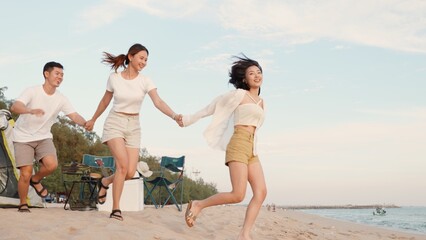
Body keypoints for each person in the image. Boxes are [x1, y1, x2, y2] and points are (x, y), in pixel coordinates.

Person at [85, 43, 182, 221]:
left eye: (146, 60)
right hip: (115, 122)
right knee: (121, 165)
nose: (144, 62)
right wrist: (93, 119)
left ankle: (105, 182)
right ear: (130, 56)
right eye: (141, 58)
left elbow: (158, 102)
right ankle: (116, 209)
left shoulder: (146, 81)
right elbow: (105, 101)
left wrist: (174, 116)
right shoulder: (114, 78)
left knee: (129, 172)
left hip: (134, 126)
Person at [182, 55, 267, 240]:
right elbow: (211, 107)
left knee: (261, 192)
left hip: (252, 148)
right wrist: (189, 119)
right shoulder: (239, 95)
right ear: (244, 79)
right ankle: (198, 205)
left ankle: (244, 234)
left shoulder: (261, 102)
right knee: (238, 194)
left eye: (259, 72)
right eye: (251, 73)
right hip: (238, 144)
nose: (256, 75)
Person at [10, 61, 87, 213]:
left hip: (43, 136)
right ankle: (23, 204)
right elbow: (15, 107)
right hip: (23, 137)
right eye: (57, 74)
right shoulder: (32, 91)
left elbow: (74, 115)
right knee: (25, 173)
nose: (60, 77)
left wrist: (85, 123)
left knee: (52, 165)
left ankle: (36, 179)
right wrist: (30, 111)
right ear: (46, 74)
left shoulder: (61, 98)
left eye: (62, 75)